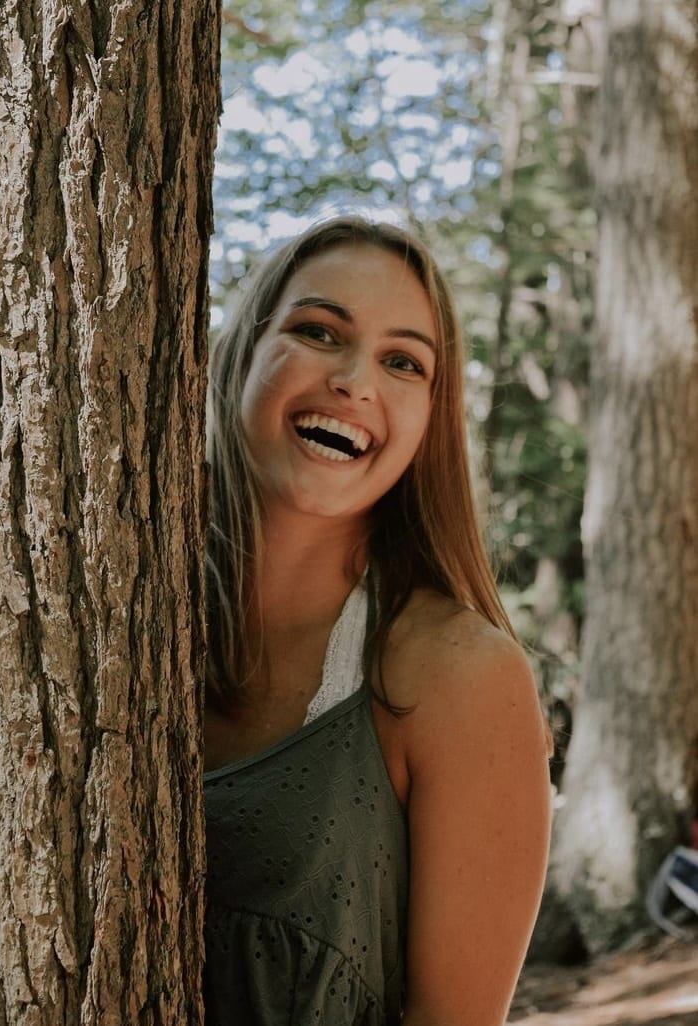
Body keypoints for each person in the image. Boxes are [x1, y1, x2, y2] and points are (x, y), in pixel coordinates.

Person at [203, 216, 551, 1026]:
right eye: (319, 331)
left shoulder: (457, 675)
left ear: (430, 421)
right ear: (244, 354)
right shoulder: (112, 611)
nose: (356, 380)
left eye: (403, 362)